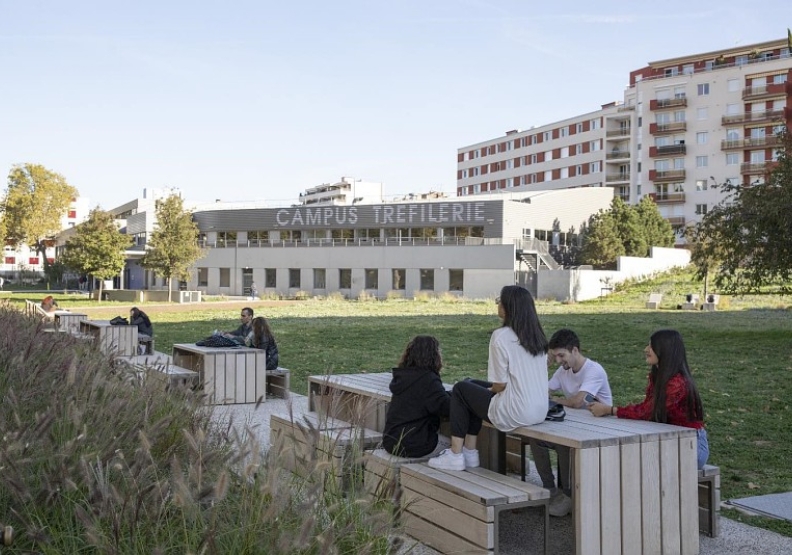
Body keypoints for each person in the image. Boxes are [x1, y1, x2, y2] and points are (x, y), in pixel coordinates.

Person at [428, 285, 548, 471]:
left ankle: (456, 454)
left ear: (509, 307)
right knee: (470, 385)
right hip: (539, 409)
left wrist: (489, 391)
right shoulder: (537, 337)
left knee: (461, 389)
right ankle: (469, 453)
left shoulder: (501, 336)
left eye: (499, 300)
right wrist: (486, 390)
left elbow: (499, 386)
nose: (497, 304)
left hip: (515, 411)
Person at [589, 329, 709, 469]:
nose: (646, 349)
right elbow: (648, 408)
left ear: (664, 349)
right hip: (670, 441)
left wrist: (609, 410)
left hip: (692, 446)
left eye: (651, 346)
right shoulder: (658, 376)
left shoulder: (677, 383)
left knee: (639, 463)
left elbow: (647, 411)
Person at [529, 328, 613, 517]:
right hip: (574, 425)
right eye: (555, 356)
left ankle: (568, 495)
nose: (559, 360)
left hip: (600, 429)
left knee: (562, 443)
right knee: (536, 437)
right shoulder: (562, 370)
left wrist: (557, 400)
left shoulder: (594, 370)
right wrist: (544, 365)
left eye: (561, 355)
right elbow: (541, 391)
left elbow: (578, 401)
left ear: (575, 350)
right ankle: (549, 489)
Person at [382, 336, 451, 458]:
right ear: (434, 355)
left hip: (391, 442)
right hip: (415, 445)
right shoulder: (428, 379)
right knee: (455, 448)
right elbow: (446, 408)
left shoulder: (402, 377)